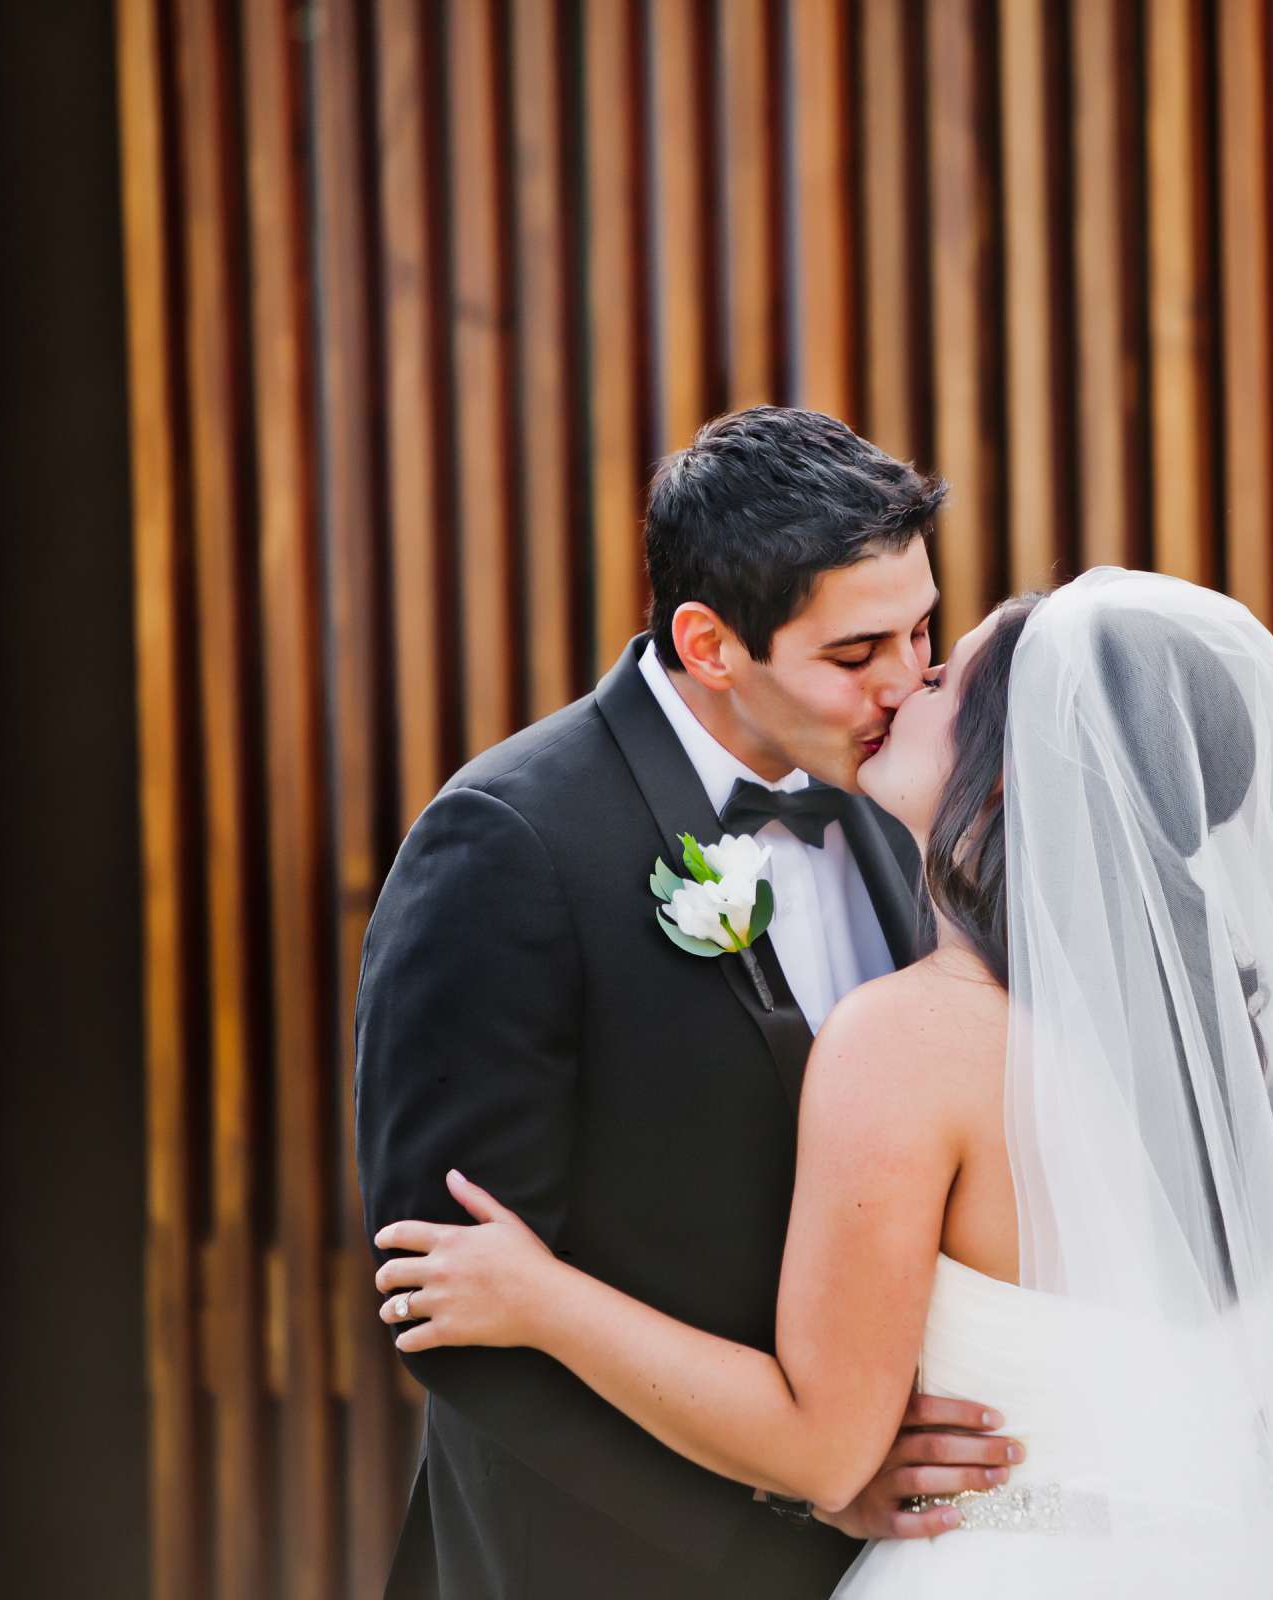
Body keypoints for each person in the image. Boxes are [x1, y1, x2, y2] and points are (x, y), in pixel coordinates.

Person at [374, 567, 1273, 1597]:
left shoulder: (911, 1038)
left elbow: (821, 1441)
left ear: (1017, 772)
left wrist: (539, 1297)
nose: (907, 683)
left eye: (946, 672)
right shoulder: (1196, 1041)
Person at [352, 407, 1017, 1600]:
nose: (911, 685)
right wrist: (794, 1490)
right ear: (710, 644)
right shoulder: (507, 843)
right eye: (857, 653)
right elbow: (442, 1297)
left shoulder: (896, 797)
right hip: (600, 1559)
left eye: (923, 632)